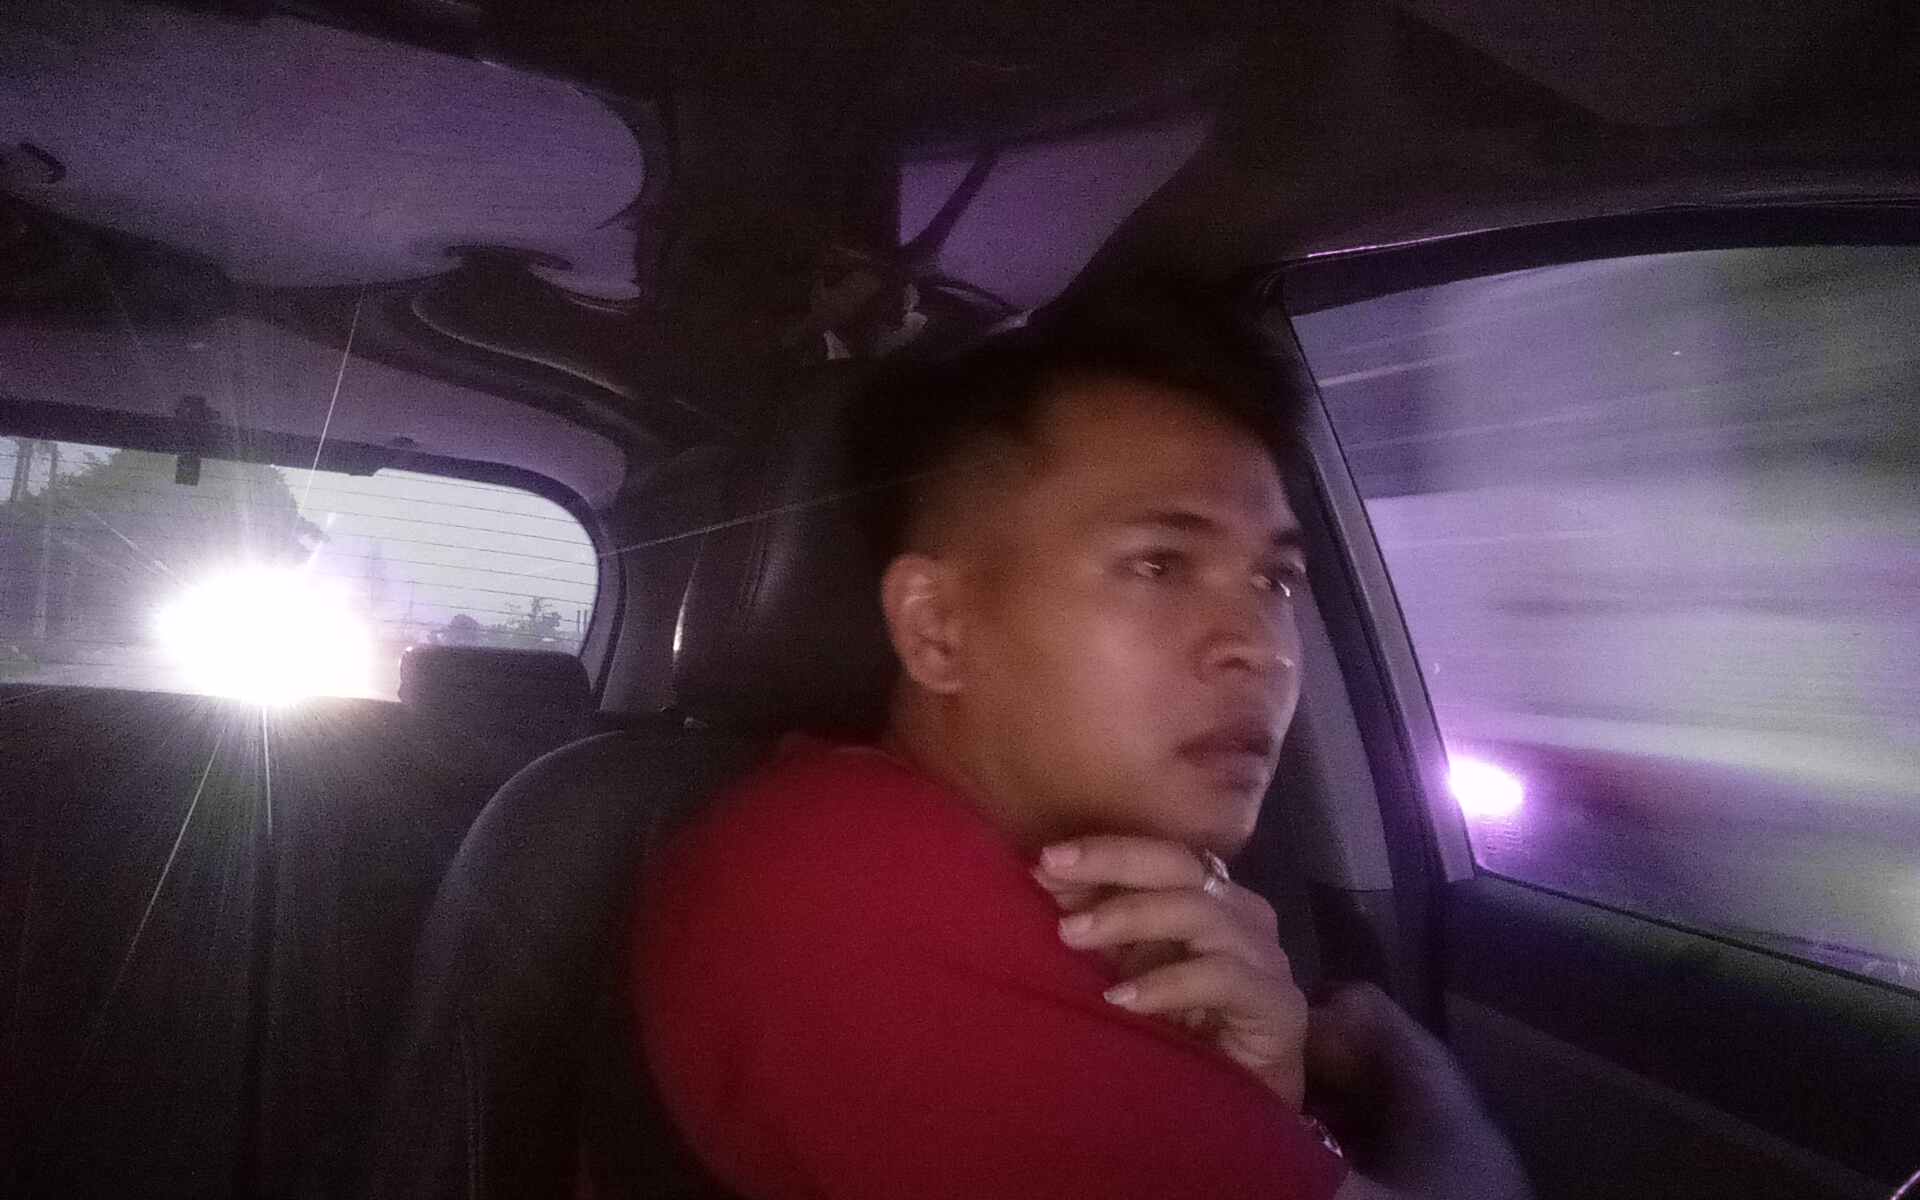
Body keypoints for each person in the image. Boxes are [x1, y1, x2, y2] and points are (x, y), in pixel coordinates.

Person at [633, 292, 1530, 1200]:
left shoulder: (1039, 880)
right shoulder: (841, 885)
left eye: (1276, 580)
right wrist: (1420, 1079)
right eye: (1158, 564)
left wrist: (1257, 1097)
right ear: (937, 628)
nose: (1263, 647)